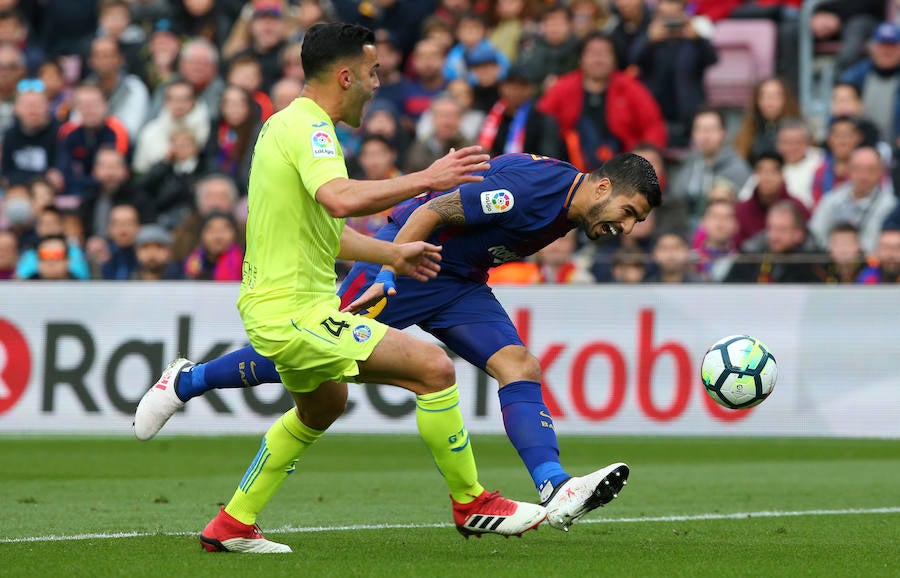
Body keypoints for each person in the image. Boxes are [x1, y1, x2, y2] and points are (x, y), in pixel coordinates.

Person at [134, 23, 546, 553]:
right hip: (290, 312)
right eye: (373, 73)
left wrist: (391, 254)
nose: (377, 85)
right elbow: (341, 199)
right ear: (346, 76)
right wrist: (428, 178)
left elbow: (327, 231)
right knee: (433, 368)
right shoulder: (312, 129)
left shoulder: (287, 124)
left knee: (323, 406)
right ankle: (472, 502)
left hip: (293, 305)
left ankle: (233, 524)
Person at [134, 150, 659, 534]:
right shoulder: (534, 190)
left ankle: (554, 485)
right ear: (602, 186)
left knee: (519, 364)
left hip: (459, 284)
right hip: (409, 261)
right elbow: (433, 211)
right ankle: (187, 380)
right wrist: (388, 269)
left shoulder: (569, 203)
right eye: (630, 212)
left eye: (637, 220)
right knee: (314, 358)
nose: (629, 227)